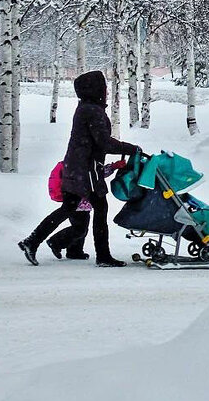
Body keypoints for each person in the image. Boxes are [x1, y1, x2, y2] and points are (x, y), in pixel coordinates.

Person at [19, 70, 139, 267]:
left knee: (69, 208)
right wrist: (131, 148)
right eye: (104, 87)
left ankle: (32, 242)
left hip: (77, 168)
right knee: (100, 210)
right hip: (87, 170)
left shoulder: (85, 108)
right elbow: (103, 143)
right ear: (96, 89)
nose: (106, 91)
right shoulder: (93, 110)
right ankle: (103, 256)